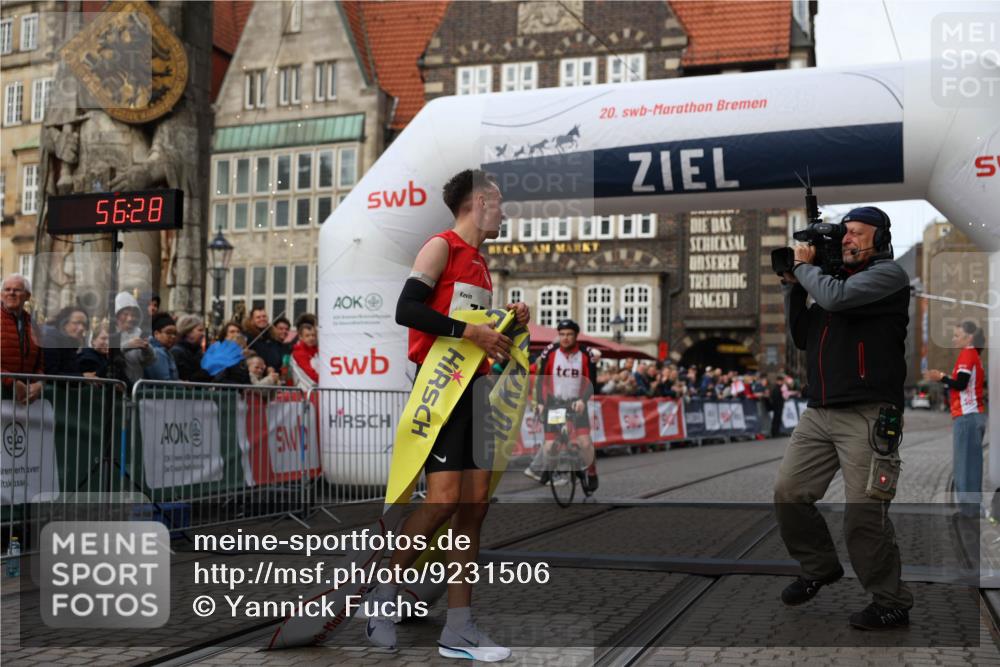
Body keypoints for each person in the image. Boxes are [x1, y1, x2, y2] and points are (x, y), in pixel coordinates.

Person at [366, 169, 528, 662]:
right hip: (440, 393)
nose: (503, 212)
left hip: (475, 389)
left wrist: (505, 324)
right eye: (498, 203)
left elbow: (474, 333)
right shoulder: (441, 246)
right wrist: (471, 332)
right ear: (478, 202)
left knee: (475, 505)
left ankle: (459, 627)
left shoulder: (480, 262)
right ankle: (382, 596)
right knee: (441, 502)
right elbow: (407, 310)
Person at [774, 206, 913, 629]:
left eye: (856, 233)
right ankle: (819, 567)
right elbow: (802, 335)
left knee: (863, 515)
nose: (848, 239)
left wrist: (804, 267)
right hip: (819, 412)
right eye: (844, 234)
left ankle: (891, 600)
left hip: (868, 414)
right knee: (788, 493)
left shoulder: (887, 277)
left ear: (881, 238)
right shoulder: (834, 284)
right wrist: (793, 286)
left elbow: (835, 298)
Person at [524, 319, 599, 492]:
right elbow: (542, 381)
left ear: (576, 336)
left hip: (576, 404)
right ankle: (550, 471)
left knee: (585, 443)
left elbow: (591, 381)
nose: (565, 338)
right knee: (550, 446)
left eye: (569, 334)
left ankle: (592, 471)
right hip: (555, 404)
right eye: (562, 334)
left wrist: (583, 400)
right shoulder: (551, 354)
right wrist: (541, 403)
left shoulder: (585, 355)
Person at [924, 321, 988, 516]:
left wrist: (940, 376)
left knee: (964, 464)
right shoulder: (972, 355)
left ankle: (967, 510)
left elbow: (960, 384)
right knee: (972, 464)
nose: (953, 339)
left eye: (956, 335)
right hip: (972, 415)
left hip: (967, 416)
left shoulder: (967, 355)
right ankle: (971, 508)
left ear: (968, 338)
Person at [1, 274, 43, 403]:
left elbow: (41, 363)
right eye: (7, 289)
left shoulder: (33, 324)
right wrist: (11, 381)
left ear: (27, 296)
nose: (11, 293)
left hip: (25, 399)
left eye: (17, 290)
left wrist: (39, 384)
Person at [110, 291, 155, 384]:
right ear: (117, 315)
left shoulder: (139, 334)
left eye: (133, 315)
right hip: (115, 386)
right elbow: (107, 356)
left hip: (135, 386)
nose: (130, 318)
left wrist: (147, 349)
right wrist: (127, 346)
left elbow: (149, 362)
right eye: (125, 314)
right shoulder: (107, 332)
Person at [42, 305, 89, 376]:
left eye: (84, 324)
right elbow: (51, 374)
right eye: (76, 323)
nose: (81, 328)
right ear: (64, 324)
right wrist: (83, 377)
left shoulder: (71, 344)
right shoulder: (51, 341)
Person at [171, 315, 208, 382]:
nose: (203, 334)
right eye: (200, 330)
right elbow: (187, 377)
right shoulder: (177, 352)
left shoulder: (198, 352)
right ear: (188, 332)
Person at [144, 313, 179, 381]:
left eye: (175, 333)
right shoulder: (158, 352)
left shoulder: (166, 351)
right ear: (156, 334)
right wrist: (182, 385)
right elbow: (164, 382)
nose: (173, 336)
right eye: (168, 333)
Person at [289, 321, 319, 389]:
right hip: (304, 392)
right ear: (300, 337)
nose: (311, 338)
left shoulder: (316, 351)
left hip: (314, 391)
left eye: (313, 335)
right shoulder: (299, 353)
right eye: (307, 336)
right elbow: (311, 374)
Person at [769, 373, 786, 438]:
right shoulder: (776, 388)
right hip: (777, 406)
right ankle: (774, 432)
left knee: (778, 419)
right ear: (777, 381)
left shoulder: (780, 388)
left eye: (781, 381)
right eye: (780, 381)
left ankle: (777, 432)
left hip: (779, 405)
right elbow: (775, 397)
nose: (781, 382)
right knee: (776, 419)